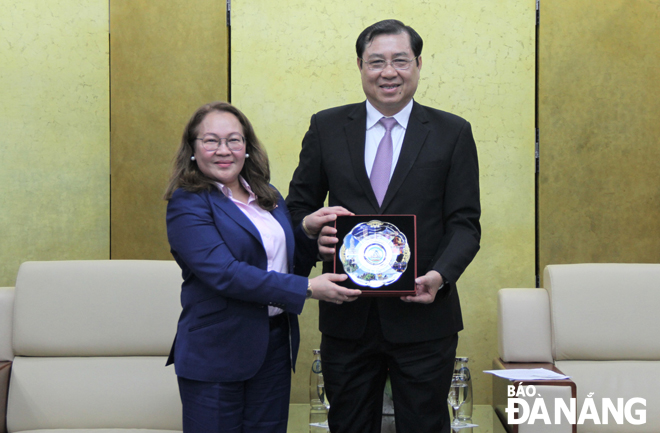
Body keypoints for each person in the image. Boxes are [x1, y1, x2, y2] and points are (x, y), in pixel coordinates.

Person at [286, 19, 481, 433]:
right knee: (349, 425)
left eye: (400, 61)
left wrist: (440, 276)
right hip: (347, 315)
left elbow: (465, 223)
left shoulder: (452, 132)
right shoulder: (326, 127)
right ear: (360, 65)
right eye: (376, 61)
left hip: (424, 317)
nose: (388, 72)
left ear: (418, 64)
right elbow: (296, 209)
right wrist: (309, 227)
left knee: (425, 425)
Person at [164, 101, 361, 433]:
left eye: (234, 140)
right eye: (211, 140)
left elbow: (282, 261)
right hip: (217, 352)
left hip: (273, 348)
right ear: (193, 150)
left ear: (247, 148)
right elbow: (226, 273)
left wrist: (309, 233)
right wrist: (309, 289)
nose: (223, 150)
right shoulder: (188, 202)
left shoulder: (268, 196)